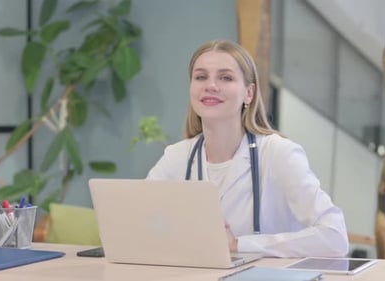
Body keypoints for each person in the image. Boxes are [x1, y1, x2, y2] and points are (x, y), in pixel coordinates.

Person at [146, 39, 349, 258]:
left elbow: (335, 237)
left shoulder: (277, 153)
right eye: (200, 77)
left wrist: (238, 245)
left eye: (226, 77)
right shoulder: (177, 157)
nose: (210, 85)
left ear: (249, 93)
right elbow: (137, 222)